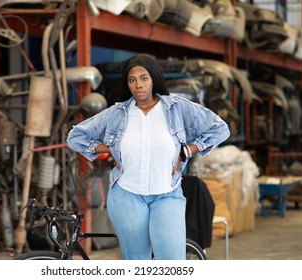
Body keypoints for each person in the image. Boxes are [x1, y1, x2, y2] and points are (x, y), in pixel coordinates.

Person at [66, 53, 230, 260]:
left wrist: (187, 150)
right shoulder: (117, 113)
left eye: (144, 78)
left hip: (167, 195)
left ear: (153, 79)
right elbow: (75, 137)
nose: (138, 85)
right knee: (137, 262)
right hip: (127, 196)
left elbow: (219, 129)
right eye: (132, 80)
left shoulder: (176, 107)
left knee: (172, 262)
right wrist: (110, 147)